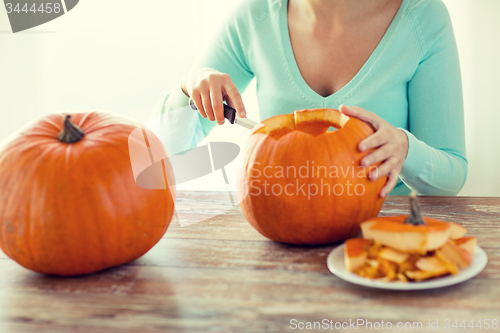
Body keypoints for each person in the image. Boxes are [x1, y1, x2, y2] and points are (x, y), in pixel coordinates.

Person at [152, 0, 467, 197]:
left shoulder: (423, 17)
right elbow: (157, 158)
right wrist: (187, 88)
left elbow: (452, 174)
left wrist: (404, 149)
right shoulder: (254, 17)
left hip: (381, 240)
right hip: (277, 236)